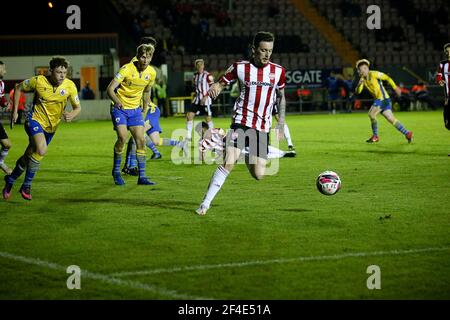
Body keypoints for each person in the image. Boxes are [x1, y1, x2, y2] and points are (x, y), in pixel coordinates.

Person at [196, 31, 286, 215]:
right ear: (254, 50)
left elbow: (281, 97)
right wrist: (215, 88)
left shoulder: (278, 71)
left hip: (262, 127)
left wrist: (281, 122)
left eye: (270, 50)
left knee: (259, 175)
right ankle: (205, 204)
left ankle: (243, 151)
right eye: (263, 50)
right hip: (241, 121)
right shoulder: (239, 67)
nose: (267, 54)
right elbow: (221, 83)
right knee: (229, 162)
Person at [2, 57, 81, 200]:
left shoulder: (70, 86)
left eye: (65, 72)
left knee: (29, 156)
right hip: (34, 121)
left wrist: (72, 115)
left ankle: (10, 180)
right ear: (51, 71)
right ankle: (26, 186)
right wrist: (14, 111)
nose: (62, 75)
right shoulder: (38, 81)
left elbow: (77, 107)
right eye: (59, 72)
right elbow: (18, 87)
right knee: (42, 149)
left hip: (51, 128)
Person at [107, 43, 156, 186]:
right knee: (122, 137)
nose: (145, 60)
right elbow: (110, 89)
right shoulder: (126, 69)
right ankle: (116, 171)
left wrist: (145, 108)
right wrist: (116, 101)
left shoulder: (151, 73)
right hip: (119, 108)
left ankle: (142, 177)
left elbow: (147, 91)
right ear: (138, 56)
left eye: (148, 57)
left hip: (135, 111)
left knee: (140, 141)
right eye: (143, 57)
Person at [122, 101, 188, 175]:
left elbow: (146, 98)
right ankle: (180, 143)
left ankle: (131, 166)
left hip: (150, 111)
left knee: (137, 136)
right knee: (156, 141)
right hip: (150, 111)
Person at [355, 59, 413, 143]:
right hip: (384, 100)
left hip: (382, 99)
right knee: (391, 119)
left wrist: (395, 87)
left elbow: (387, 78)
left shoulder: (374, 74)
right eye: (359, 70)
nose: (361, 71)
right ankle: (407, 133)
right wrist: (359, 84)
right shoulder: (362, 79)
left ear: (366, 68)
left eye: (362, 69)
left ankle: (375, 136)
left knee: (371, 114)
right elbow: (358, 91)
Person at [196, 121, 295, 162]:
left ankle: (283, 154)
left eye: (200, 130)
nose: (200, 133)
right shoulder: (207, 138)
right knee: (257, 152)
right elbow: (202, 158)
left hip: (233, 147)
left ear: (204, 129)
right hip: (233, 146)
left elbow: (226, 137)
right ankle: (284, 154)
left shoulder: (211, 134)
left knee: (258, 152)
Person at [185, 59, 214, 141]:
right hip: (197, 99)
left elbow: (212, 87)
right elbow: (196, 87)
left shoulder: (208, 75)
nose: (200, 66)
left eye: (201, 65)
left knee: (208, 118)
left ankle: (212, 136)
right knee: (189, 115)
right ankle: (188, 136)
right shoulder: (195, 76)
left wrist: (205, 97)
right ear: (196, 66)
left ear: (203, 66)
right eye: (198, 65)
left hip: (206, 100)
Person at [436, 42, 450, 156]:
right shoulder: (443, 64)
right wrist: (440, 80)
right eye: (448, 50)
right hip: (447, 98)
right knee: (447, 124)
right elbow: (439, 75)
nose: (449, 52)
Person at [0, 61, 12, 174]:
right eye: (3, 68)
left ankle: (0, 162)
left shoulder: (1, 84)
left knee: (7, 144)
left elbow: (1, 99)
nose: (5, 71)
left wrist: (5, 104)